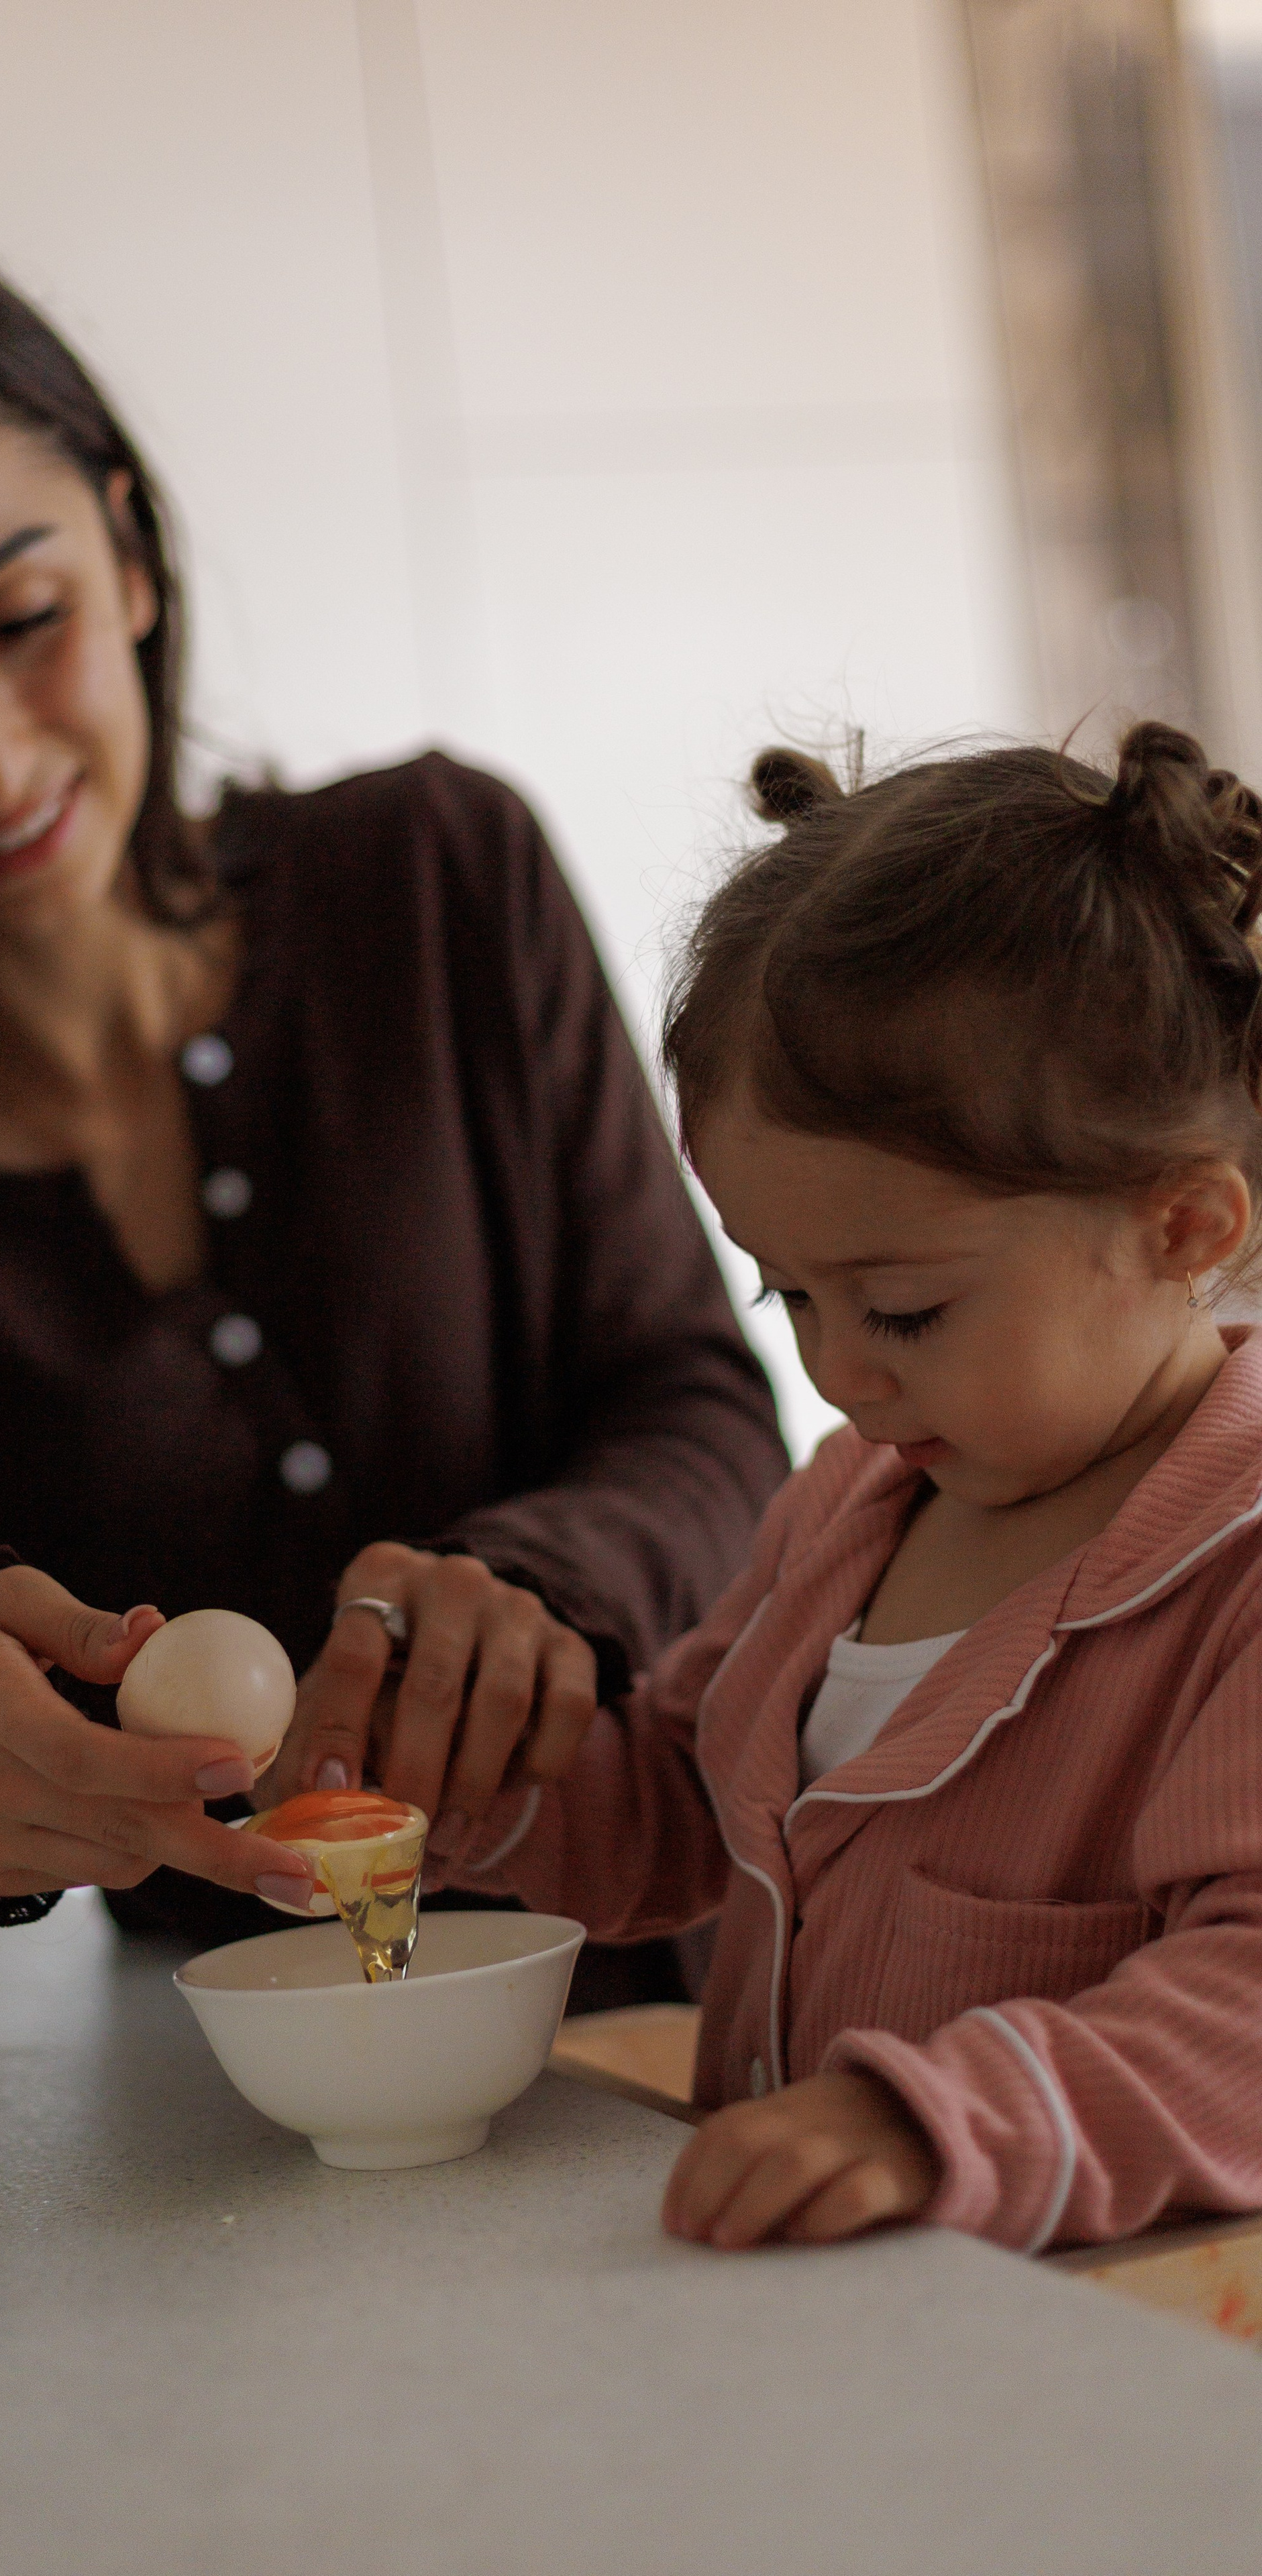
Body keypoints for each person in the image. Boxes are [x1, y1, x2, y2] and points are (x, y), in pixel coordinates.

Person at [0, 208, 785, 1990]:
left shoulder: (441, 877)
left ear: (129, 559)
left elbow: (705, 1418)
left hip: (704, 1998)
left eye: (21, 619)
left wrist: (532, 1589)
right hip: (235, 2111)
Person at [435, 720, 1262, 2253]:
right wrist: (462, 1784)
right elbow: (676, 1811)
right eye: (787, 1299)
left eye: (901, 1309)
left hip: (1099, 2388)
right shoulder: (848, 1509)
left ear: (1184, 1227)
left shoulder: (1236, 1568)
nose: (836, 1376)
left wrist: (935, 2118)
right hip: (830, 2355)